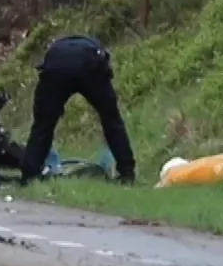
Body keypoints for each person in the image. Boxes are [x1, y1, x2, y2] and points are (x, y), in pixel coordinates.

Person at [19, 34, 137, 185]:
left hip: (56, 69)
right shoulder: (95, 48)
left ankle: (29, 175)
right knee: (112, 120)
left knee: (43, 124)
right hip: (91, 65)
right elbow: (107, 73)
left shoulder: (56, 49)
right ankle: (127, 174)